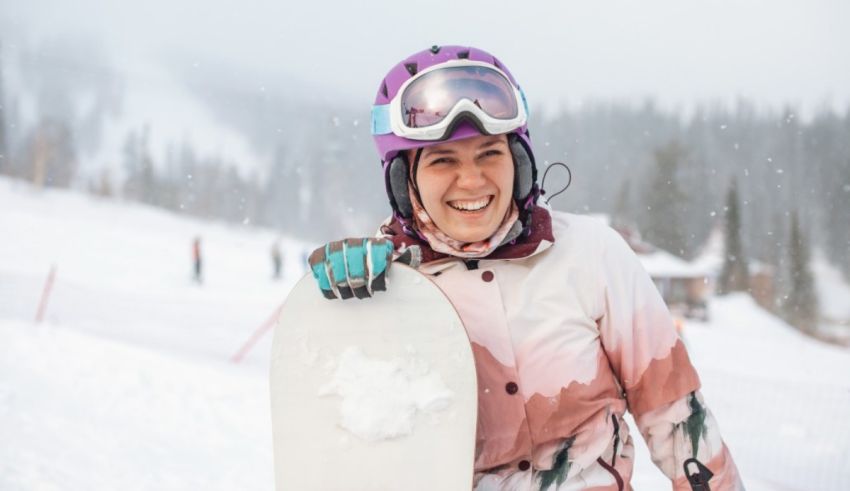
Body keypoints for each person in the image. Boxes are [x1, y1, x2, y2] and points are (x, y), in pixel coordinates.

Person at [309, 45, 743, 490]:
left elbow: (677, 421)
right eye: (443, 160)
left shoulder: (591, 256)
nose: (473, 180)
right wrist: (347, 318)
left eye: (489, 154)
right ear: (404, 181)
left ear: (518, 159)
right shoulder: (391, 283)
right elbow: (356, 446)